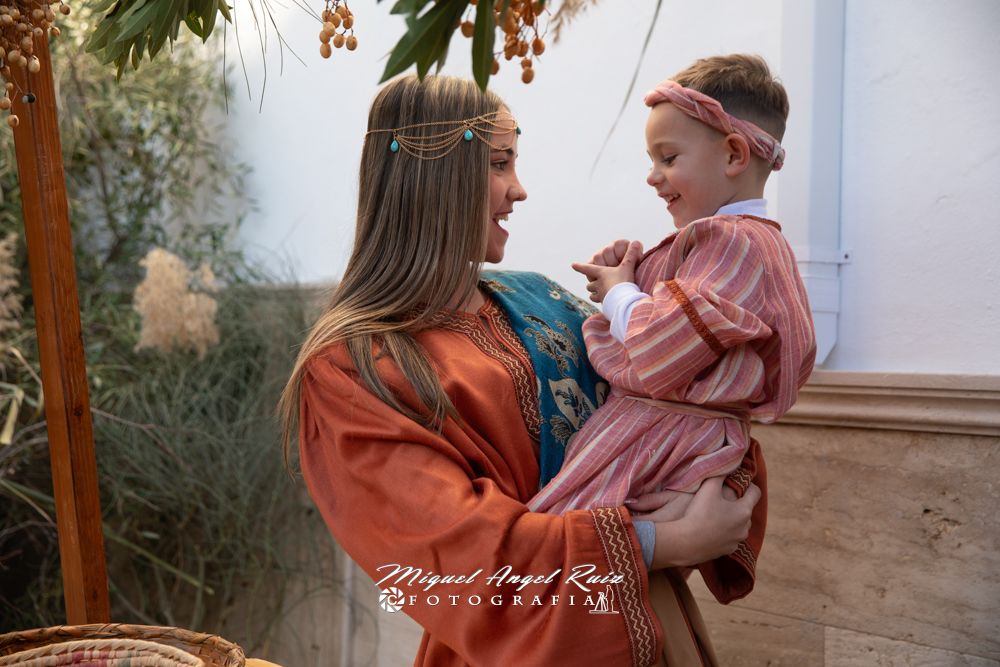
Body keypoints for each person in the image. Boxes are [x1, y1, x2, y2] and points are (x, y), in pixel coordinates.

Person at [280, 74, 761, 667]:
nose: (520, 189)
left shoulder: (545, 299)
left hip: (654, 624)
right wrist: (665, 540)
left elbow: (683, 412)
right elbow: (455, 558)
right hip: (513, 649)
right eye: (499, 164)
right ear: (438, 176)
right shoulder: (356, 367)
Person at [529, 54, 816, 617]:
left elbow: (662, 346)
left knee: (557, 550)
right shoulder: (735, 243)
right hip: (678, 433)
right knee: (607, 575)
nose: (653, 176)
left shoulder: (734, 241)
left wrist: (619, 293)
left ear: (733, 155)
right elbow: (690, 326)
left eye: (668, 157)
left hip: (658, 433)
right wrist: (632, 276)